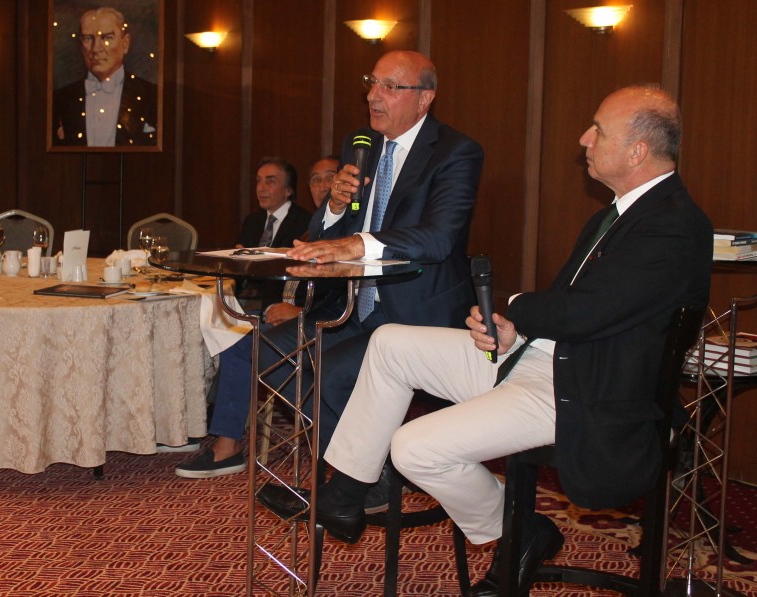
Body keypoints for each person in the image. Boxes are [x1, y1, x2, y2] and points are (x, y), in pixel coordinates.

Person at [257, 85, 713, 596]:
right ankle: (345, 493)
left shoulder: (672, 224)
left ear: (636, 152)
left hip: (584, 389)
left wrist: (514, 307)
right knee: (389, 343)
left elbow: (588, 313)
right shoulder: (620, 214)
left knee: (412, 448)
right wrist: (518, 330)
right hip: (545, 357)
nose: (584, 138)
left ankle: (516, 530)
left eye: (598, 130)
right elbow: (589, 310)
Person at [174, 50, 484, 480]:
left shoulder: (455, 152)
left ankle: (356, 479)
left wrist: (355, 243)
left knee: (330, 374)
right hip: (351, 307)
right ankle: (359, 472)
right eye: (371, 83)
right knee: (265, 351)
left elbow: (439, 238)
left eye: (390, 87)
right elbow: (323, 233)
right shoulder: (361, 144)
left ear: (424, 98)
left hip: (415, 313)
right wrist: (336, 206)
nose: (373, 96)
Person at [52, 6, 158, 147]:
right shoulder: (60, 100)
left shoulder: (153, 96)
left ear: (125, 43)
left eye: (107, 37)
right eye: (88, 38)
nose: (96, 48)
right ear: (80, 44)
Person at [263, 155, 340, 326]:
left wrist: (303, 313)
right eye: (316, 180)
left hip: (318, 325)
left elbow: (345, 297)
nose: (323, 187)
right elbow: (275, 276)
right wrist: (272, 309)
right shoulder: (306, 232)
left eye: (331, 178)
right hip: (278, 320)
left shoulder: (349, 236)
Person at [234, 157, 312, 313]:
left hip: (280, 303)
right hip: (244, 298)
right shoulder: (252, 221)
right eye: (258, 181)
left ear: (288, 190)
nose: (260, 188)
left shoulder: (305, 223)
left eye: (270, 182)